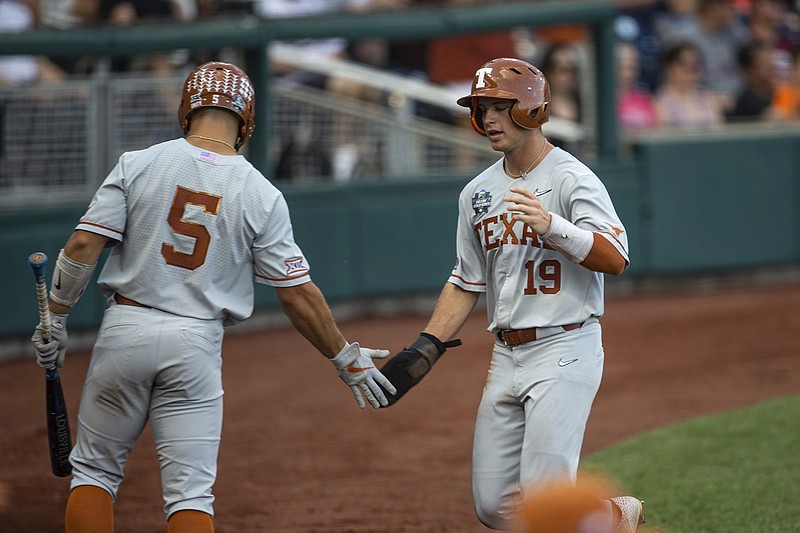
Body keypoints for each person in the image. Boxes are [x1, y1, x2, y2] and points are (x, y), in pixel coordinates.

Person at [29, 61, 395, 533]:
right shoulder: (262, 193)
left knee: (95, 474)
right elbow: (297, 294)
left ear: (187, 109)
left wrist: (55, 319)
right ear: (246, 121)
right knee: (190, 495)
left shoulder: (138, 163)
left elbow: (82, 246)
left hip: (126, 329)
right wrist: (344, 356)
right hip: (195, 343)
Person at [376, 58, 643, 532]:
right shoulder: (476, 192)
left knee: (542, 504)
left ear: (532, 110)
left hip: (566, 347)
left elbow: (617, 257)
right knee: (493, 505)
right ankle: (609, 518)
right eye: (482, 108)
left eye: (501, 106)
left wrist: (554, 227)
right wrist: (426, 345)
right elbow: (466, 281)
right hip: (506, 355)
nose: (489, 119)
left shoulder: (571, 178)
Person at [653, 41, 728, 128]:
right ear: (669, 67)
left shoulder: (710, 97)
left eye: (695, 66)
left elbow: (720, 132)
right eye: (684, 65)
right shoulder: (660, 102)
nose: (690, 70)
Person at [727, 39, 778, 121]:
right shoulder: (747, 101)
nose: (772, 68)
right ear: (748, 70)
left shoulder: (775, 94)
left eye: (771, 62)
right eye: (765, 64)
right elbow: (776, 117)